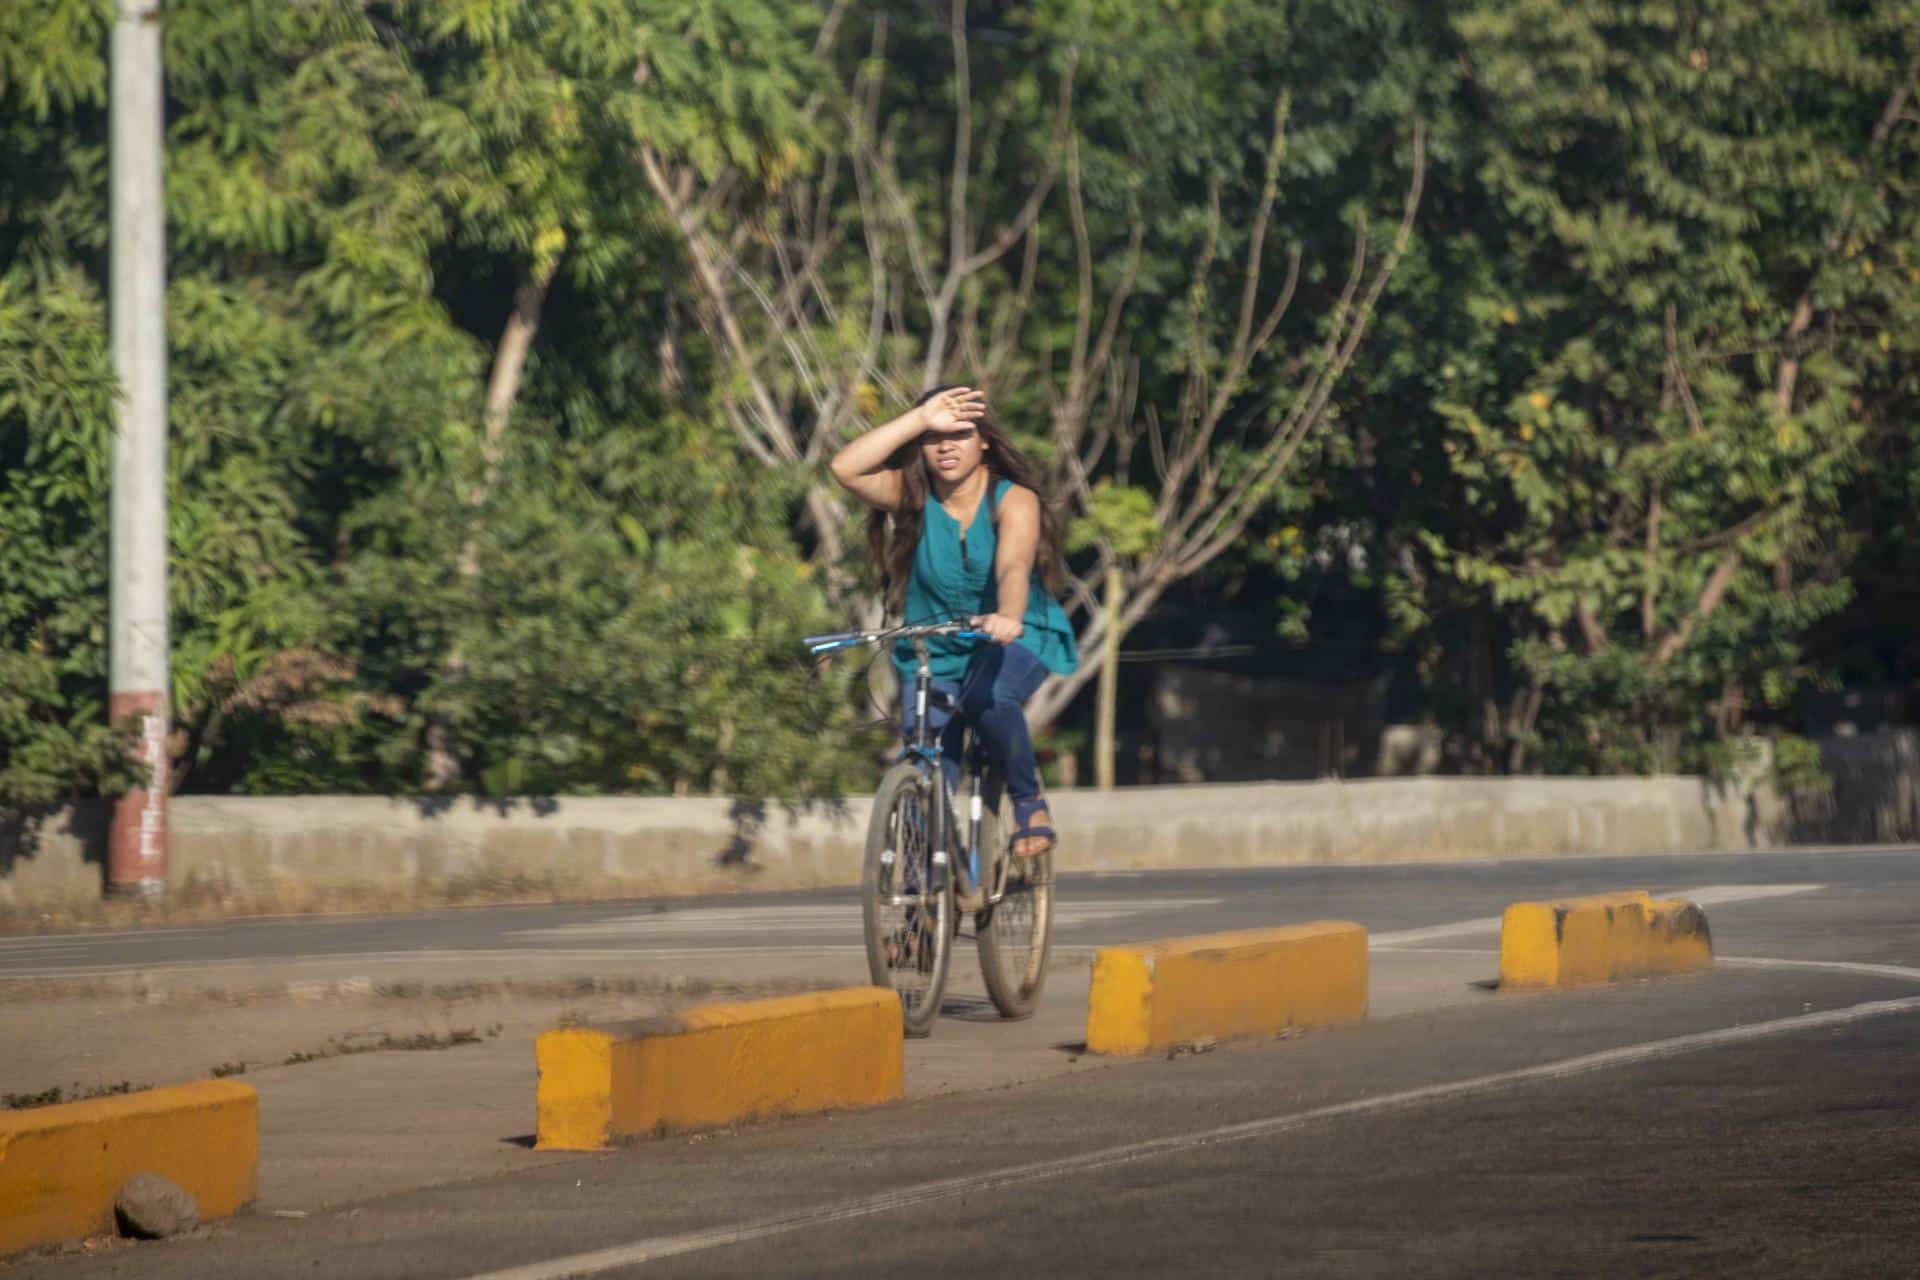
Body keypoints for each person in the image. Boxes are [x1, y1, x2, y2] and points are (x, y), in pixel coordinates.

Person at [829, 385, 1078, 857]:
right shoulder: (912, 497)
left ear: (984, 441)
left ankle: (1029, 803)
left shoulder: (1012, 498)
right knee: (926, 765)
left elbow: (1013, 566)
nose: (946, 446)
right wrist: (920, 417)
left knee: (991, 697)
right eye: (934, 437)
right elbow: (845, 468)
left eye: (960, 434)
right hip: (934, 648)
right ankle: (923, 904)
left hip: (1015, 637)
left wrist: (1007, 615)